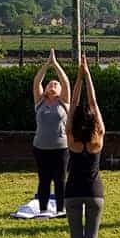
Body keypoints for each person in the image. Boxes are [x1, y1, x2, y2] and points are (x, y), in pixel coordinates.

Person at [65, 54, 105, 238]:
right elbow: (93, 104)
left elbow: (73, 105)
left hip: (72, 192)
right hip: (94, 193)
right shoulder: (98, 136)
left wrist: (78, 79)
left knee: (76, 237)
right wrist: (87, 74)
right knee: (91, 237)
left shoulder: (71, 138)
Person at [32, 48, 71, 215]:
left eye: (56, 84)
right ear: (46, 89)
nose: (53, 84)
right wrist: (46, 65)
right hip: (40, 148)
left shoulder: (64, 103)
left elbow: (66, 81)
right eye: (50, 84)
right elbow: (36, 82)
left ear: (61, 90)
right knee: (44, 180)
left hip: (61, 148)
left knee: (60, 180)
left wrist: (55, 65)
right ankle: (43, 210)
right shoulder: (40, 102)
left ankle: (61, 210)